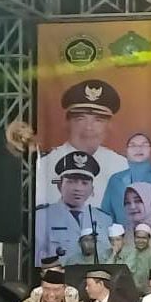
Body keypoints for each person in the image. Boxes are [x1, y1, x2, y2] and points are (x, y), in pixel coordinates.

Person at [37, 79, 127, 207]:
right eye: (80, 119)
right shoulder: (45, 163)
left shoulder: (121, 166)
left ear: (109, 126)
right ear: (67, 123)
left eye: (98, 120)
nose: (89, 127)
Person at [35, 151, 113, 266]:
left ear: (92, 189)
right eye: (71, 182)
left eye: (84, 183)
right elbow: (36, 260)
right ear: (60, 185)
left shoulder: (104, 219)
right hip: (60, 275)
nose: (78, 188)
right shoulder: (42, 216)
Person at [102, 132, 151, 224]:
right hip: (121, 232)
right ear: (126, 150)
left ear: (150, 149)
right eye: (133, 145)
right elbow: (106, 214)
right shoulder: (115, 179)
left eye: (144, 145)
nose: (138, 149)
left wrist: (142, 229)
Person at [126, 223, 151, 292]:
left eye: (144, 238)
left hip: (148, 293)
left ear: (149, 238)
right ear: (134, 238)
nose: (140, 241)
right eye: (138, 237)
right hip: (129, 291)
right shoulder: (128, 252)